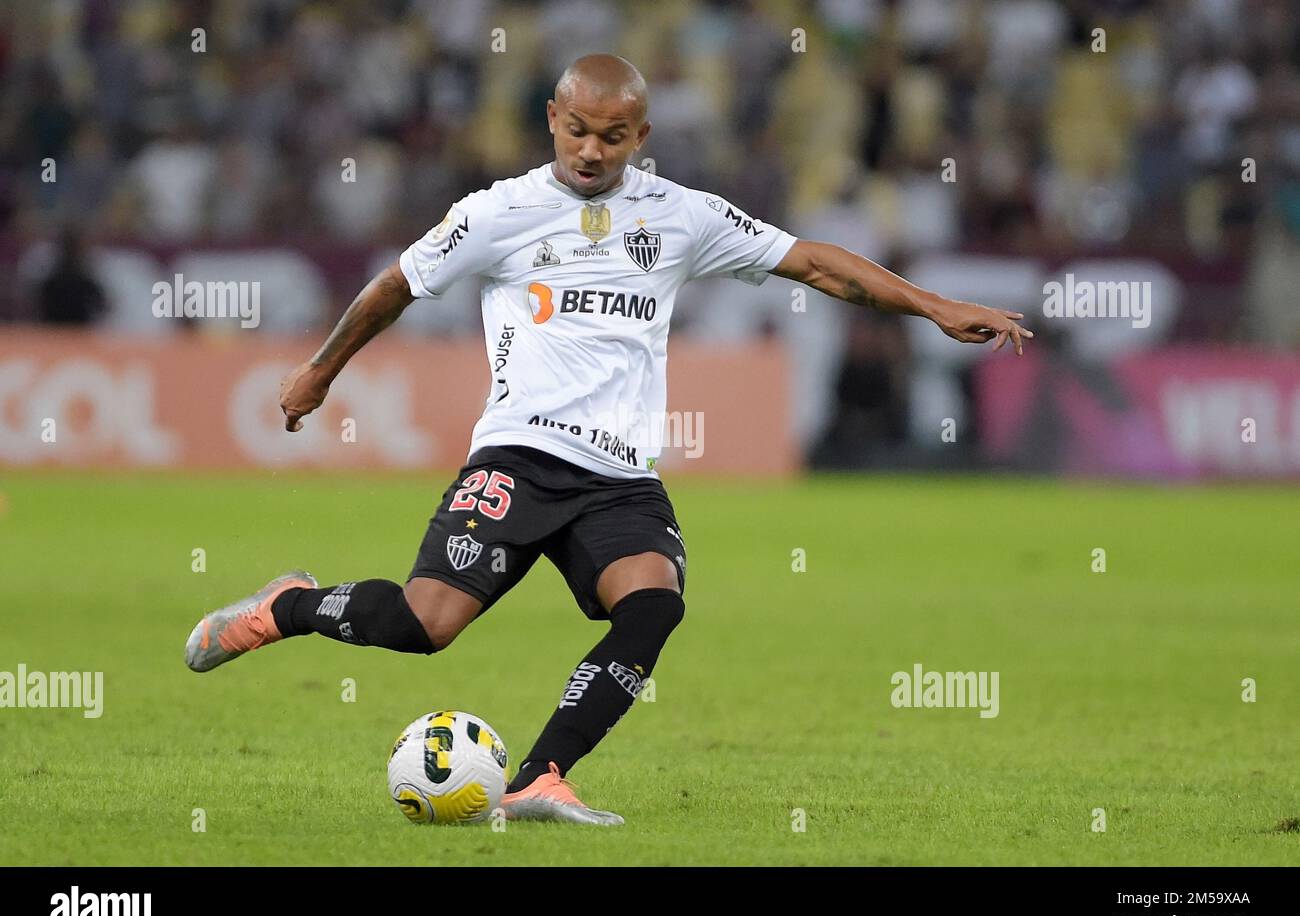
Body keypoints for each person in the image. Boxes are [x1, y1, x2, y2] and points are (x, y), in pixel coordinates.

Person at [185, 53, 1030, 825]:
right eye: (579, 130)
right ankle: (285, 607)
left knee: (654, 603)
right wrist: (321, 372)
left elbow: (812, 262)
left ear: (642, 136)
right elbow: (394, 287)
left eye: (614, 136)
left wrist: (933, 305)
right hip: (518, 454)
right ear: (553, 118)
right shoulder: (498, 211)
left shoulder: (680, 215)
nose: (593, 151)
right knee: (425, 624)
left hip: (621, 477)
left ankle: (544, 774)